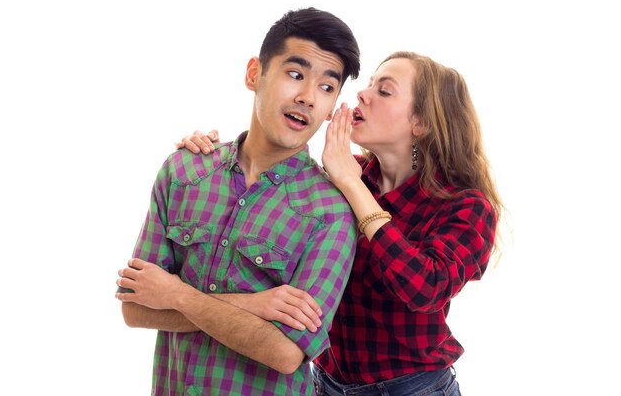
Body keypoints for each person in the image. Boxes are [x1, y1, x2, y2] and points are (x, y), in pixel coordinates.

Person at [179, 50, 502, 396]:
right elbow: (268, 194)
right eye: (369, 85)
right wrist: (215, 155)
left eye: (384, 90)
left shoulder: (466, 206)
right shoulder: (340, 179)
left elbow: (425, 288)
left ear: (420, 122)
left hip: (413, 389)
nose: (362, 94)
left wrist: (352, 186)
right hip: (326, 386)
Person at [114, 7, 361, 396]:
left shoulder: (330, 213)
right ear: (254, 74)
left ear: (333, 108)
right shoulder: (183, 172)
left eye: (327, 87)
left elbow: (285, 352)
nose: (307, 97)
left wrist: (177, 295)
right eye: (295, 74)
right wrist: (253, 305)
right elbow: (136, 306)